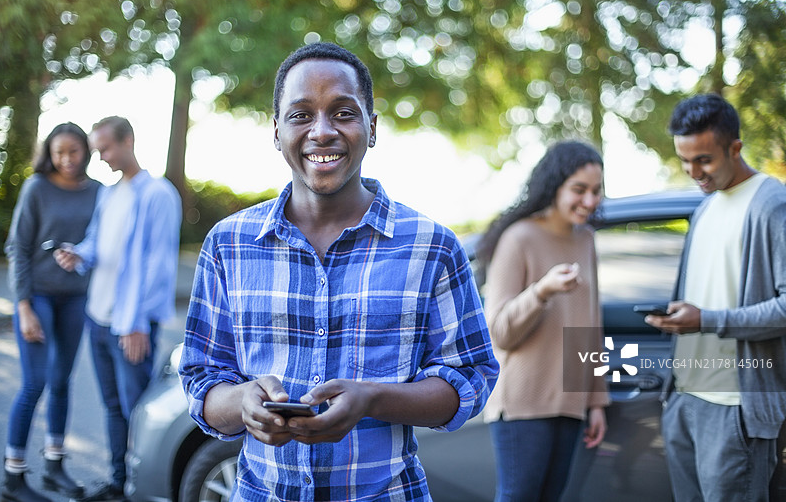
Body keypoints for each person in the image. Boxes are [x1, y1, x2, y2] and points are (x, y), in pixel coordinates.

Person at [178, 41, 499, 501]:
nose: (322, 131)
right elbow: (202, 378)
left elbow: (469, 378)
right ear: (276, 131)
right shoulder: (229, 245)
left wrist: (373, 398)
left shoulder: (432, 247)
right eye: (301, 114)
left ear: (372, 128)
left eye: (344, 113)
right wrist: (243, 403)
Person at [645, 93, 786, 501]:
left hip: (736, 407)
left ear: (735, 148)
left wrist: (706, 320)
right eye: (685, 161)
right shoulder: (705, 208)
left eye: (704, 159)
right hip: (685, 401)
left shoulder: (771, 205)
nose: (694, 172)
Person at [54, 116, 182, 501]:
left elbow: (158, 267)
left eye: (106, 149)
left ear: (128, 141)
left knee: (135, 411)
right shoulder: (109, 193)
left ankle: (139, 489)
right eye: (97, 151)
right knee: (112, 408)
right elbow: (96, 242)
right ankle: (117, 483)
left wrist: (138, 323)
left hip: (130, 326)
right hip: (98, 318)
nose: (101, 158)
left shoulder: (159, 194)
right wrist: (78, 254)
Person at [477, 141, 609, 502]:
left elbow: (590, 327)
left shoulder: (586, 240)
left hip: (570, 401)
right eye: (579, 190)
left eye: (596, 191)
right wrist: (542, 291)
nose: (590, 200)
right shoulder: (519, 238)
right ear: (554, 187)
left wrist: (596, 400)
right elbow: (499, 332)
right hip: (523, 403)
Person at [2, 122, 101, 502]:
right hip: (38, 296)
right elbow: (17, 248)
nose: (67, 159)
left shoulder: (98, 193)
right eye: (59, 152)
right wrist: (24, 307)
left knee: (62, 381)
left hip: (75, 298)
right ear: (50, 153)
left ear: (85, 152)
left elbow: (99, 245)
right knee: (35, 383)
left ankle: (54, 467)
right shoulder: (36, 188)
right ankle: (13, 477)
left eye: (74, 151)